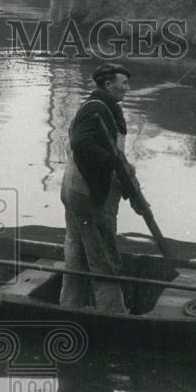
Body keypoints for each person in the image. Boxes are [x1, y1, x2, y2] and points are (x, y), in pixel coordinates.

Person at [60, 63, 136, 315]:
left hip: (73, 189)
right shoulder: (96, 109)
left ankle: (70, 305)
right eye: (123, 83)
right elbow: (80, 143)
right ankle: (112, 313)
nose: (127, 88)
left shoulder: (96, 107)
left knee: (76, 249)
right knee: (103, 253)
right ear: (108, 85)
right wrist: (112, 161)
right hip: (87, 194)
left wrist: (121, 165)